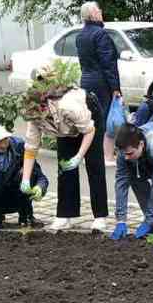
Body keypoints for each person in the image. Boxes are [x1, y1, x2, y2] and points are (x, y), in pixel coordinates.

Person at [21, 69, 109, 232]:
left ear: (44, 107)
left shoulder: (67, 105)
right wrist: (25, 179)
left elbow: (89, 131)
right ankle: (65, 215)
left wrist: (78, 157)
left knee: (94, 165)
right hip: (65, 128)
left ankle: (100, 216)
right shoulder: (33, 114)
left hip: (89, 116)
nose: (35, 119)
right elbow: (31, 148)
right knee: (64, 168)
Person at [76, 1, 121, 161]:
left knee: (91, 118)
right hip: (101, 83)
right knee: (104, 119)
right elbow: (108, 63)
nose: (101, 12)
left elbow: (83, 62)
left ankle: (92, 153)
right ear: (93, 14)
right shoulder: (100, 34)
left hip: (86, 81)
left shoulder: (80, 36)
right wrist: (115, 87)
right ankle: (104, 154)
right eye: (99, 10)